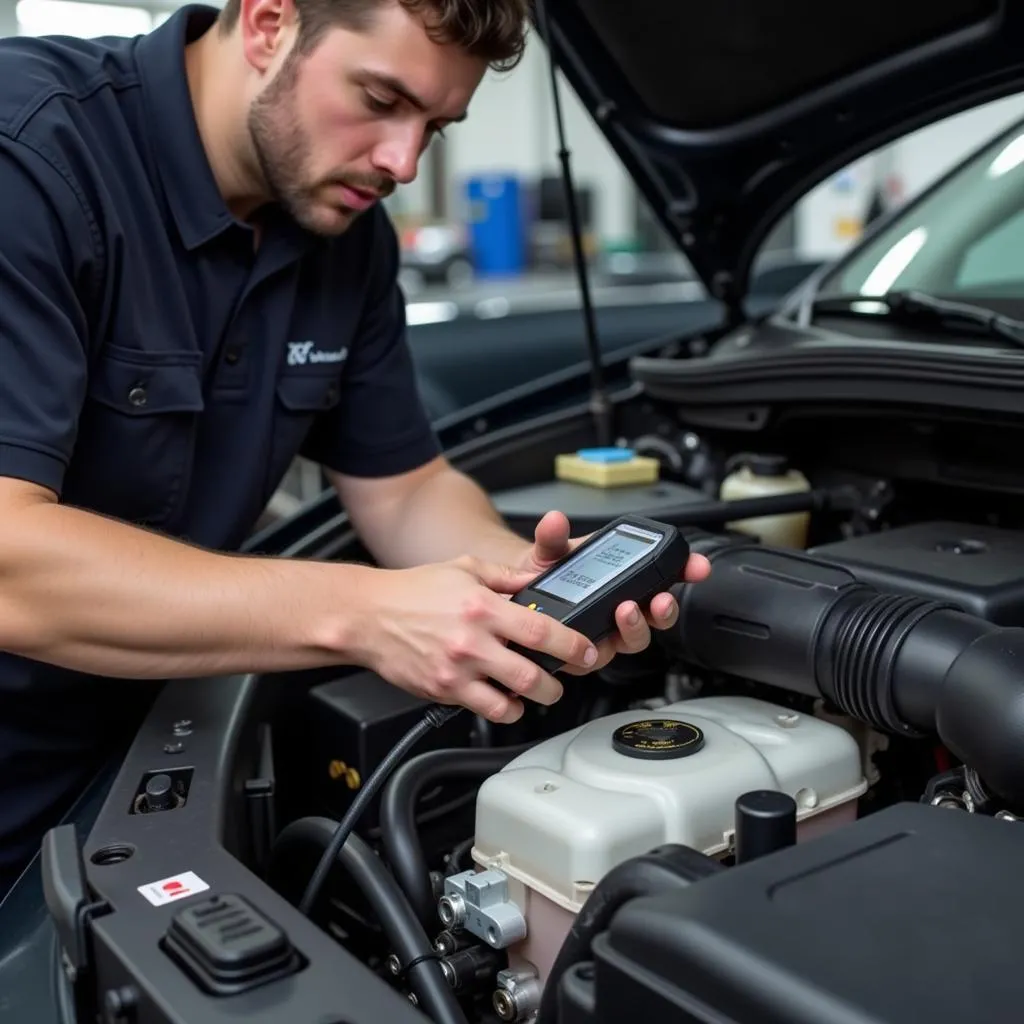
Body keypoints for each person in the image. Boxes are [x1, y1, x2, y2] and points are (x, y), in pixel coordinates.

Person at [0, 0, 711, 894]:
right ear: (267, 24)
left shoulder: (347, 238)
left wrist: (518, 596)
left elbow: (406, 489)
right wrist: (368, 612)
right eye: (380, 99)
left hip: (138, 760)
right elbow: (7, 565)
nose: (403, 162)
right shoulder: (28, 157)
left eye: (436, 127)